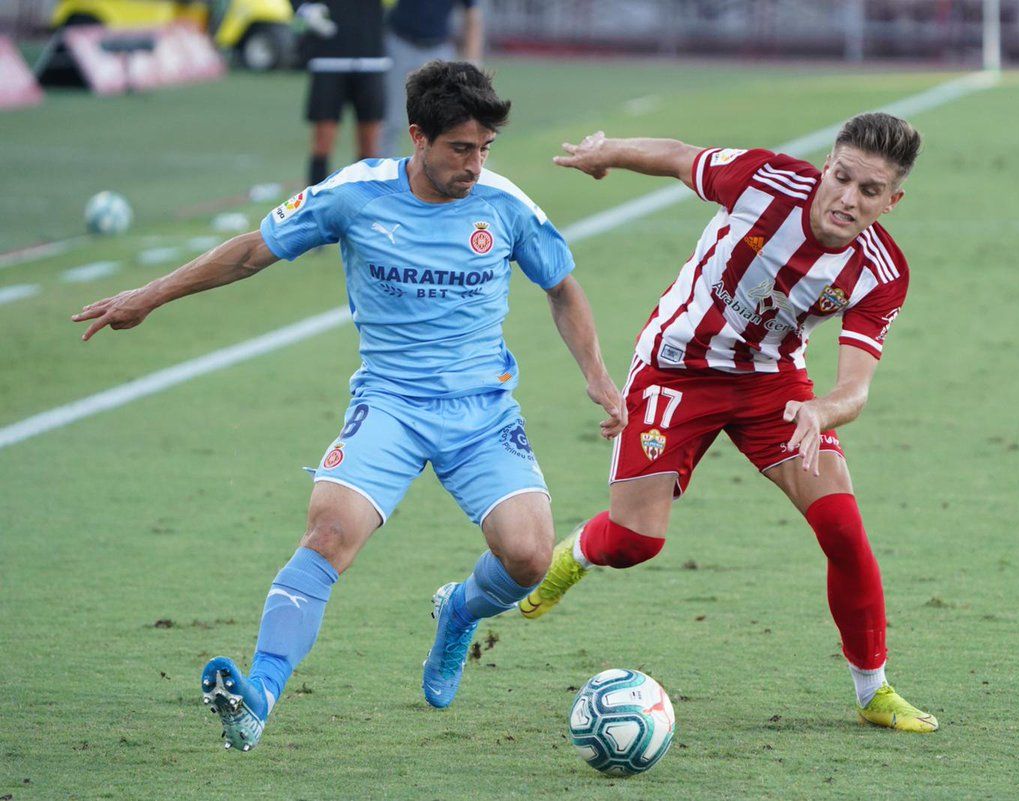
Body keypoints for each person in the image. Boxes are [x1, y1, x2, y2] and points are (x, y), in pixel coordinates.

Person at [71, 61, 626, 751]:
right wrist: (145, 297)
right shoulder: (355, 195)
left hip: (481, 413)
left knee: (528, 558)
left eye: (485, 148)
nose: (475, 164)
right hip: (389, 405)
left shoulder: (507, 205)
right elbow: (251, 252)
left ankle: (457, 611)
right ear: (418, 137)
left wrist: (598, 375)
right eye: (460, 148)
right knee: (328, 535)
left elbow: (563, 286)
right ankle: (259, 697)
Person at [519, 114, 940, 732]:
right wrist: (608, 151)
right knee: (636, 542)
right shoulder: (764, 181)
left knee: (843, 529)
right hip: (677, 365)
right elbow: (677, 154)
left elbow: (855, 389)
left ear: (892, 201)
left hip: (773, 383)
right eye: (842, 177)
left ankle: (873, 690)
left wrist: (820, 409)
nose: (847, 198)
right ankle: (577, 553)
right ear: (827, 164)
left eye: (869, 191)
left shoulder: (881, 272)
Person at [293, 0, 390, 186]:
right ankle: (316, 205)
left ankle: (364, 206)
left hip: (370, 56)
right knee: (323, 139)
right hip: (328, 58)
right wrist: (306, 9)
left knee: (370, 144)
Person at [381, 0, 484, 156]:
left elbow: (472, 14)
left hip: (439, 49)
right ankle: (383, 173)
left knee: (439, 118)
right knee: (391, 118)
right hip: (399, 43)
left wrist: (472, 61)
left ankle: (434, 171)